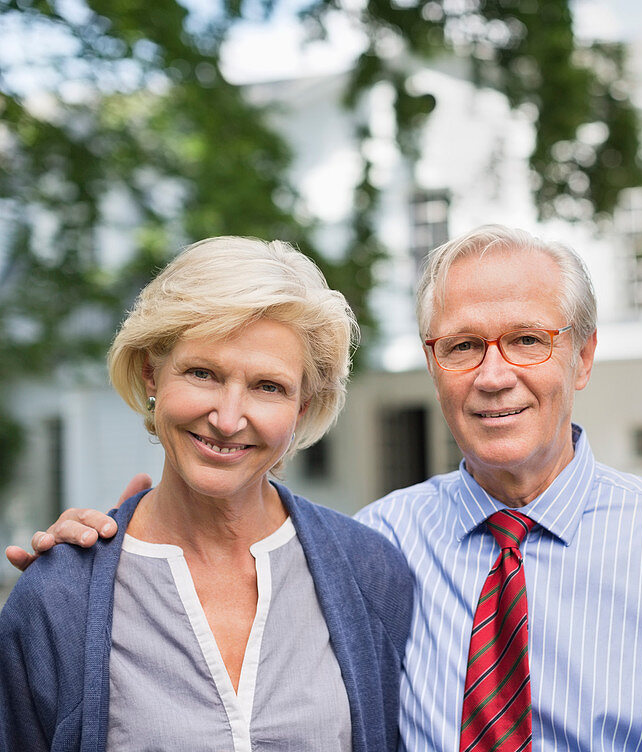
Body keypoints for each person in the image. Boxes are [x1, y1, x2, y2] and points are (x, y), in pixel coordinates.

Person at [11, 225, 642, 750]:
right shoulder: (378, 548)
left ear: (582, 359)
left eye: (527, 340)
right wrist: (86, 557)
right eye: (462, 346)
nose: (494, 376)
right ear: (432, 364)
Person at [0, 237, 414, 752]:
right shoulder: (58, 598)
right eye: (203, 373)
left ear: (302, 409)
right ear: (152, 372)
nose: (227, 417)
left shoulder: (371, 573)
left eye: (268, 386)